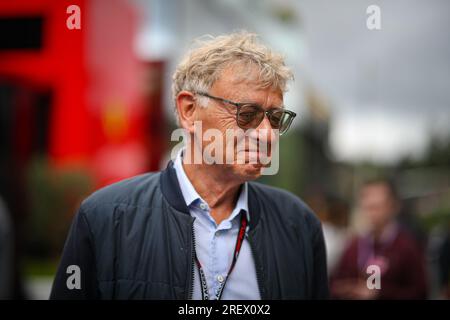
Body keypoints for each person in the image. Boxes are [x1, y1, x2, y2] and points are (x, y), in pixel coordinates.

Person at [50, 31, 329, 300]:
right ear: (189, 110)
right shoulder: (104, 217)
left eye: (276, 118)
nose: (267, 134)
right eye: (248, 114)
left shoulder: (299, 225)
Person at [330, 178, 427, 299]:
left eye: (377, 207)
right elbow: (334, 284)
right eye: (368, 207)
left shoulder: (406, 247)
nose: (372, 214)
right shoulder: (354, 246)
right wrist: (348, 288)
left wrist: (380, 293)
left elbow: (420, 292)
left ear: (393, 207)